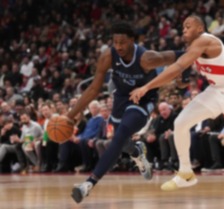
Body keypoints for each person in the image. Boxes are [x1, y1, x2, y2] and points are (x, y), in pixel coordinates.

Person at [130, 15, 224, 197]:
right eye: (183, 27)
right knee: (180, 123)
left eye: (188, 26)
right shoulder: (193, 49)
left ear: (200, 27)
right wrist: (180, 81)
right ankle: (186, 173)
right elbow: (180, 77)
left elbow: (178, 66)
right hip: (216, 91)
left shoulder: (205, 41)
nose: (184, 29)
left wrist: (147, 86)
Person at [66, 21, 189, 203]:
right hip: (121, 98)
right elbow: (93, 88)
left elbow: (182, 55)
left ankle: (88, 184)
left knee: (121, 134)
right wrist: (70, 116)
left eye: (122, 42)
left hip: (143, 99)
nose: (119, 46)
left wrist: (183, 77)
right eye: (115, 42)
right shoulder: (108, 56)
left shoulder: (147, 58)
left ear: (132, 40)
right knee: (121, 141)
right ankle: (137, 151)